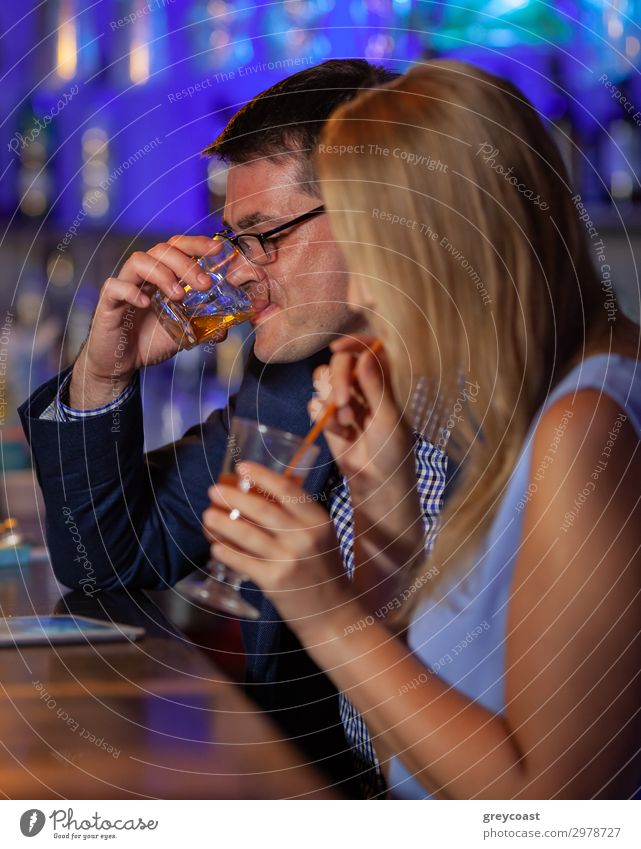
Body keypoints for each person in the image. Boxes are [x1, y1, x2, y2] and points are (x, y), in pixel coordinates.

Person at [203, 61, 641, 798]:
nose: (362, 295)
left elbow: (556, 815)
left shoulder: (586, 427)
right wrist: (385, 503)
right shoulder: (521, 410)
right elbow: (398, 753)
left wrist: (324, 610)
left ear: (447, 251)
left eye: (370, 260)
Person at [18, 60, 448, 797]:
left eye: (263, 235)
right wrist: (104, 370)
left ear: (373, 213)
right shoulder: (285, 381)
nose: (241, 272)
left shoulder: (520, 399)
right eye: (233, 238)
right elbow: (106, 564)